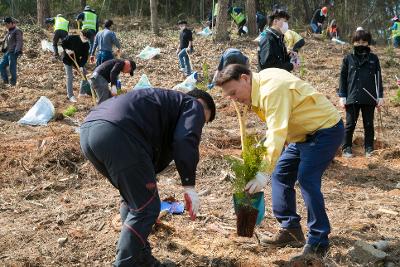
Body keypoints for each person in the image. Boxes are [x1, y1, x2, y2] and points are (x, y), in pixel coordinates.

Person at [215, 64, 343, 259]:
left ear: (244, 78)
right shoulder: (259, 85)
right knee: (281, 174)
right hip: (300, 135)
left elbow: (277, 132)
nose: (234, 99)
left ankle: (318, 240)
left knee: (306, 178)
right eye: (229, 96)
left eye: (233, 92)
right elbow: (276, 127)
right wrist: (263, 150)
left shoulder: (272, 89)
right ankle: (291, 230)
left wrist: (262, 172)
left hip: (324, 130)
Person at [80, 88, 216, 266]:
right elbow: (185, 140)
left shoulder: (163, 103)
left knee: (134, 201)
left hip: (89, 131)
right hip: (118, 133)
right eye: (202, 121)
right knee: (146, 209)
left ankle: (142, 260)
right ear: (201, 105)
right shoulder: (193, 105)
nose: (199, 126)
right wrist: (189, 185)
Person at [338, 29, 384, 158]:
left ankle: (369, 148)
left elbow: (378, 77)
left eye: (364, 42)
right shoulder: (348, 58)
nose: (360, 44)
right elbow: (342, 77)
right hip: (352, 96)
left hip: (369, 97)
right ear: (353, 42)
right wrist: (342, 95)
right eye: (357, 42)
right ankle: (346, 147)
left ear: (368, 43)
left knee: (369, 124)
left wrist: (380, 96)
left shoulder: (373, 59)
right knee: (350, 124)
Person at [61, 30, 90, 102]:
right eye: (85, 38)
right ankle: (70, 95)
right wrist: (67, 49)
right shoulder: (72, 38)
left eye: (87, 39)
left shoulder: (86, 44)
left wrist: (81, 66)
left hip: (76, 59)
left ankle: (82, 93)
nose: (86, 40)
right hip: (67, 57)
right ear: (81, 35)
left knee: (84, 73)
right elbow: (63, 42)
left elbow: (85, 57)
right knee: (70, 76)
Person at [0, 17, 23, 87]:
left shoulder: (17, 31)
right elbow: (5, 41)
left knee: (11, 68)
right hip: (8, 52)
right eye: (5, 24)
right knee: (1, 65)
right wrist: (3, 46)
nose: (5, 26)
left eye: (6, 24)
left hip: (13, 52)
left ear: (11, 23)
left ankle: (13, 83)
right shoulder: (9, 31)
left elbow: (19, 41)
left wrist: (17, 50)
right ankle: (5, 81)